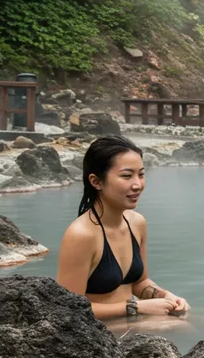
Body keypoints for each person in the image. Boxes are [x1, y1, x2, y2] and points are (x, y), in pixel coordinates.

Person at [56, 135, 189, 321]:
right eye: (127, 176)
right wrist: (136, 307)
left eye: (141, 174)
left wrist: (167, 296)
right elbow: (68, 310)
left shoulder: (137, 223)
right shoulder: (81, 235)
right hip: (98, 333)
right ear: (96, 181)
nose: (138, 185)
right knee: (187, 330)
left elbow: (139, 283)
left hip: (133, 320)